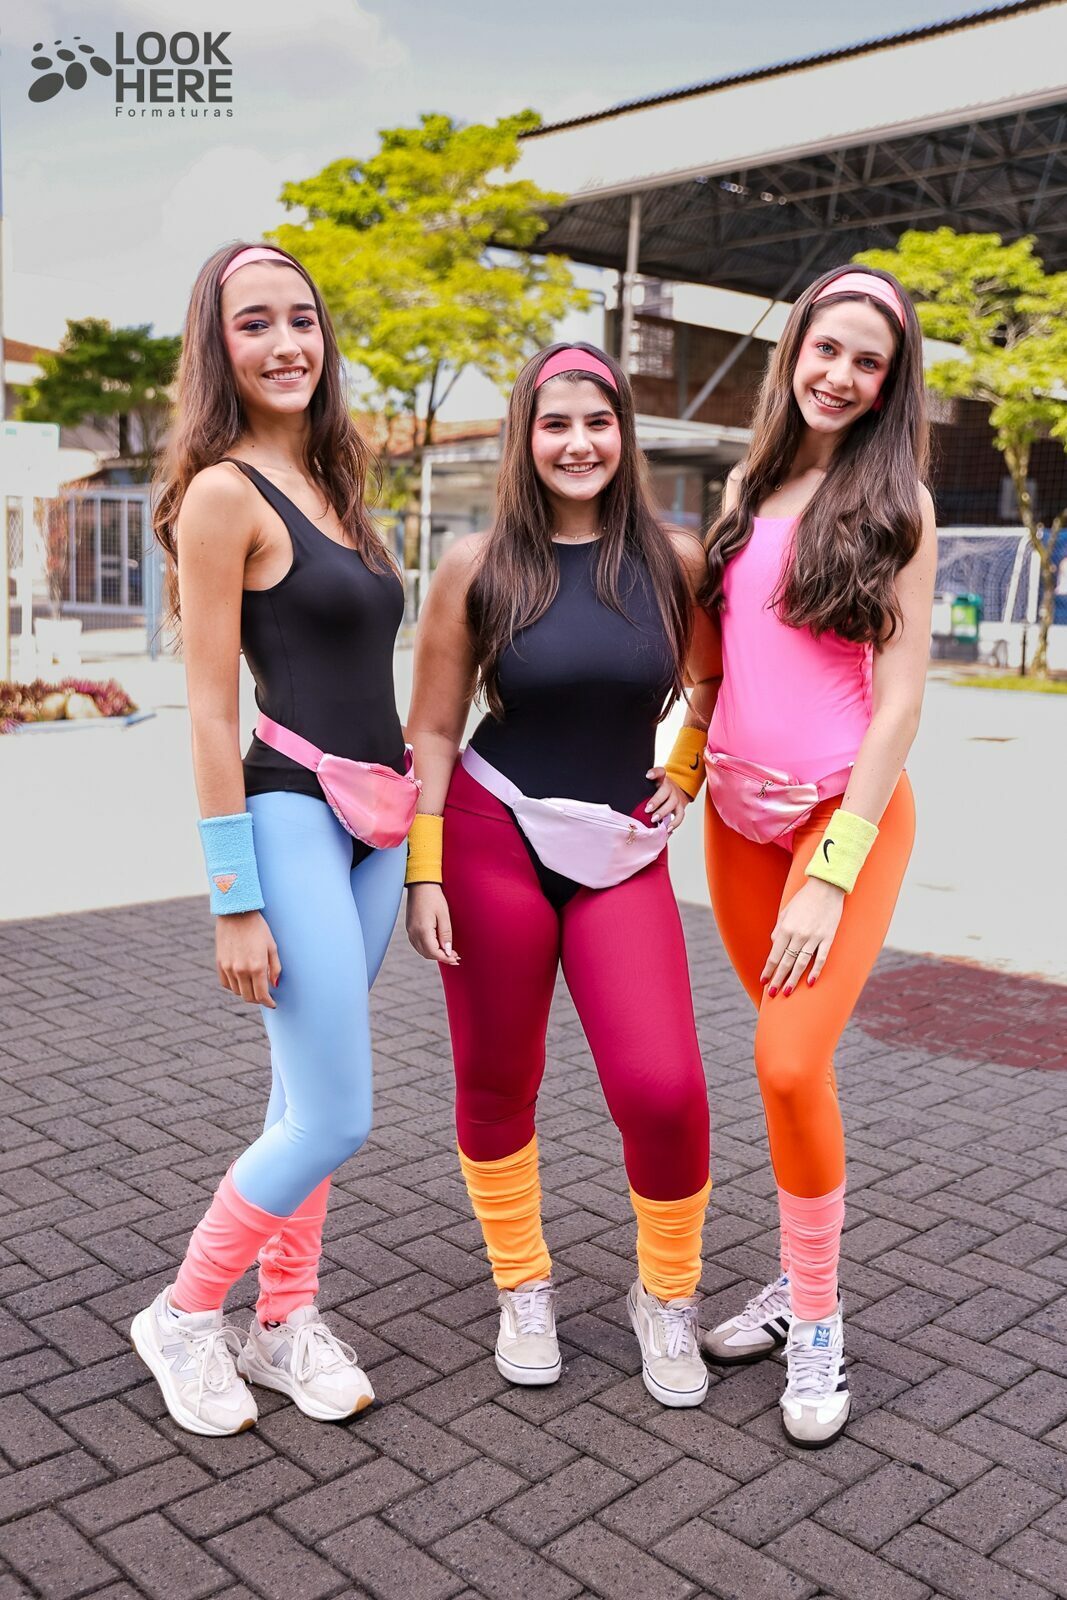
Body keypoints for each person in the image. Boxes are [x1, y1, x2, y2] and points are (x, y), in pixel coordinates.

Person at [404, 343, 721, 1408]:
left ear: (623, 432)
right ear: (524, 437)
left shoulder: (673, 560)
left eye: (597, 421)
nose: (577, 442)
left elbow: (716, 679)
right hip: (489, 835)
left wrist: (687, 764)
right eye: (554, 423)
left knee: (663, 1088)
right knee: (498, 1079)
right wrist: (422, 870)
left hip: (621, 851)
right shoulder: (476, 563)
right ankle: (522, 1284)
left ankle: (664, 1295)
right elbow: (432, 728)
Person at [132, 242, 414, 1436]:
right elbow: (207, 708)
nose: (287, 341)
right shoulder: (222, 493)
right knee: (336, 1115)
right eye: (255, 323)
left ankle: (283, 1317)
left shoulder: (336, 480)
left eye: (302, 318)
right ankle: (185, 1312)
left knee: (304, 1097)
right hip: (291, 813)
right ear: (219, 347)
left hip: (380, 825)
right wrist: (232, 896)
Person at [689, 267, 936, 1447]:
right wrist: (679, 764)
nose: (837, 375)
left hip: (841, 821)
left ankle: (819, 1318)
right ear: (793, 351)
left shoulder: (899, 505)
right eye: (824, 349)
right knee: (797, 1064)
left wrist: (830, 872)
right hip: (734, 820)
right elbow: (717, 661)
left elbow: (898, 707)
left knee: (785, 1063)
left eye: (865, 362)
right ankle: (795, 1277)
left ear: (889, 384)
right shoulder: (745, 485)